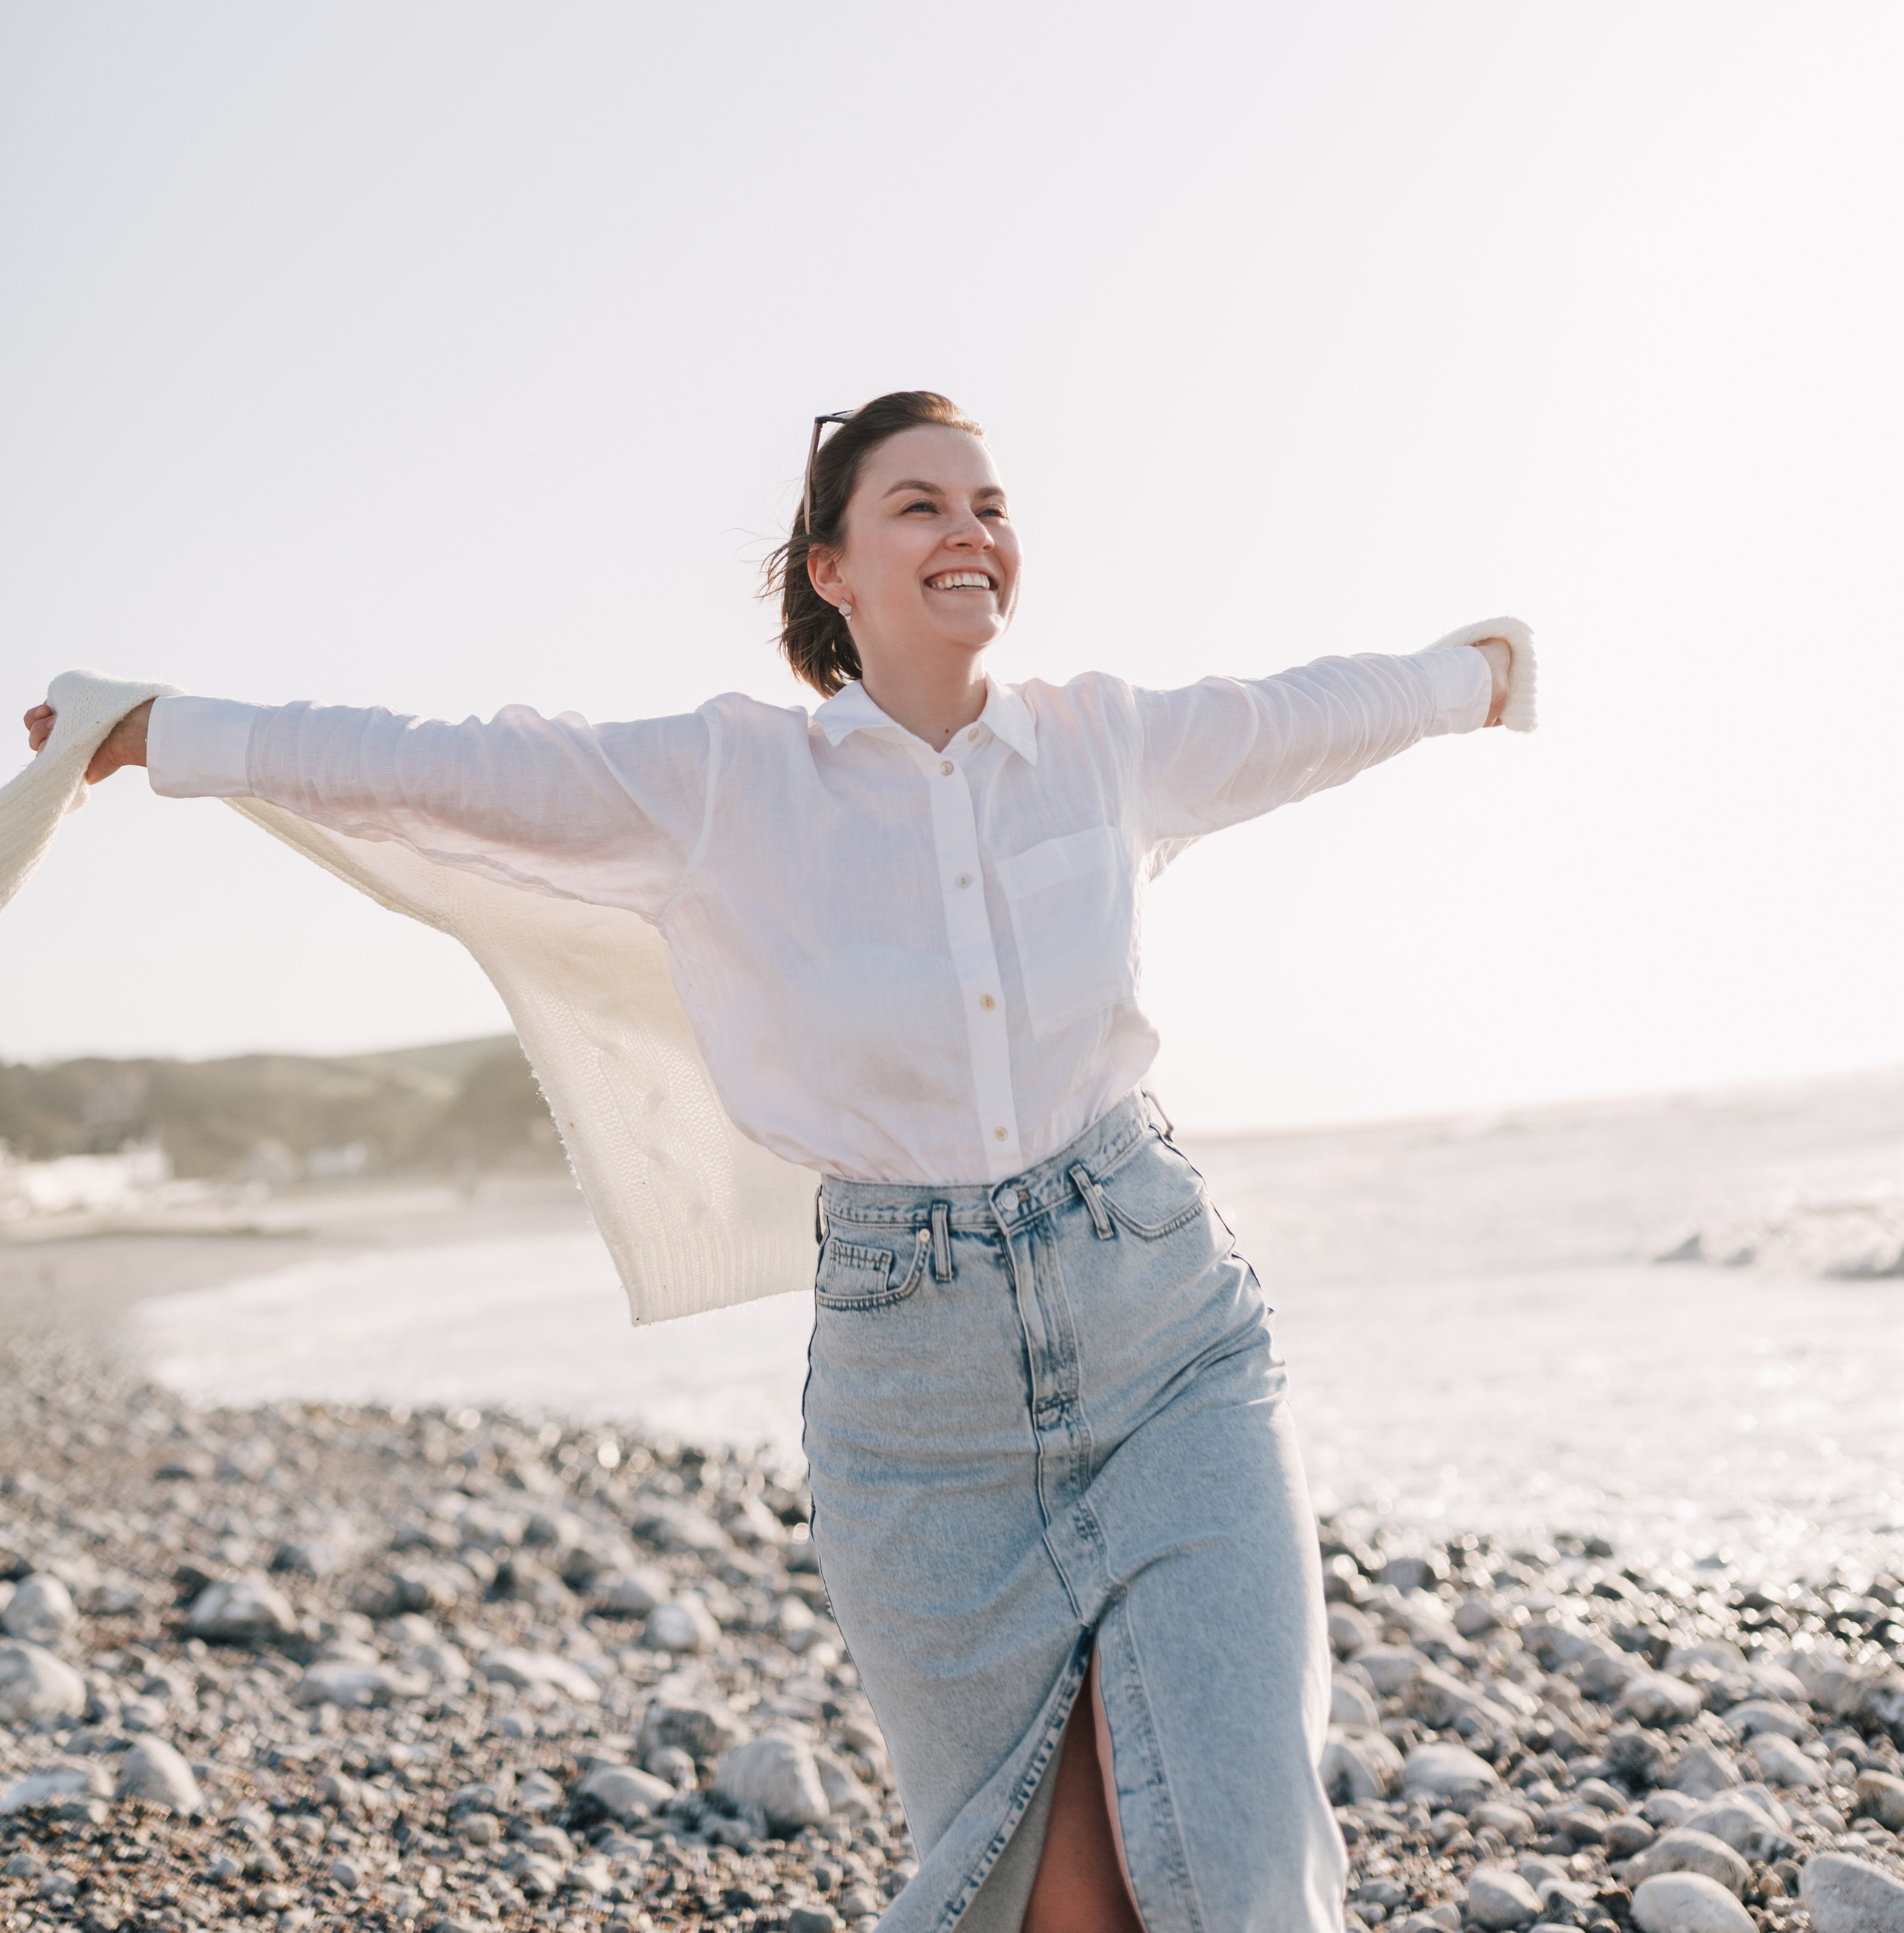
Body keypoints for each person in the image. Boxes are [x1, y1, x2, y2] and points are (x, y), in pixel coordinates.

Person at [26, 387, 1525, 1933]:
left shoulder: (1105, 742)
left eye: (990, 503)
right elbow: (443, 766)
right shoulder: (724, 784)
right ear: (830, 569)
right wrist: (167, 732)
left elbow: (1303, 711)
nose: (972, 531)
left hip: (1166, 1339)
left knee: (1240, 1861)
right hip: (915, 1399)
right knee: (1036, 1891)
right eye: (922, 505)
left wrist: (1468, 674)